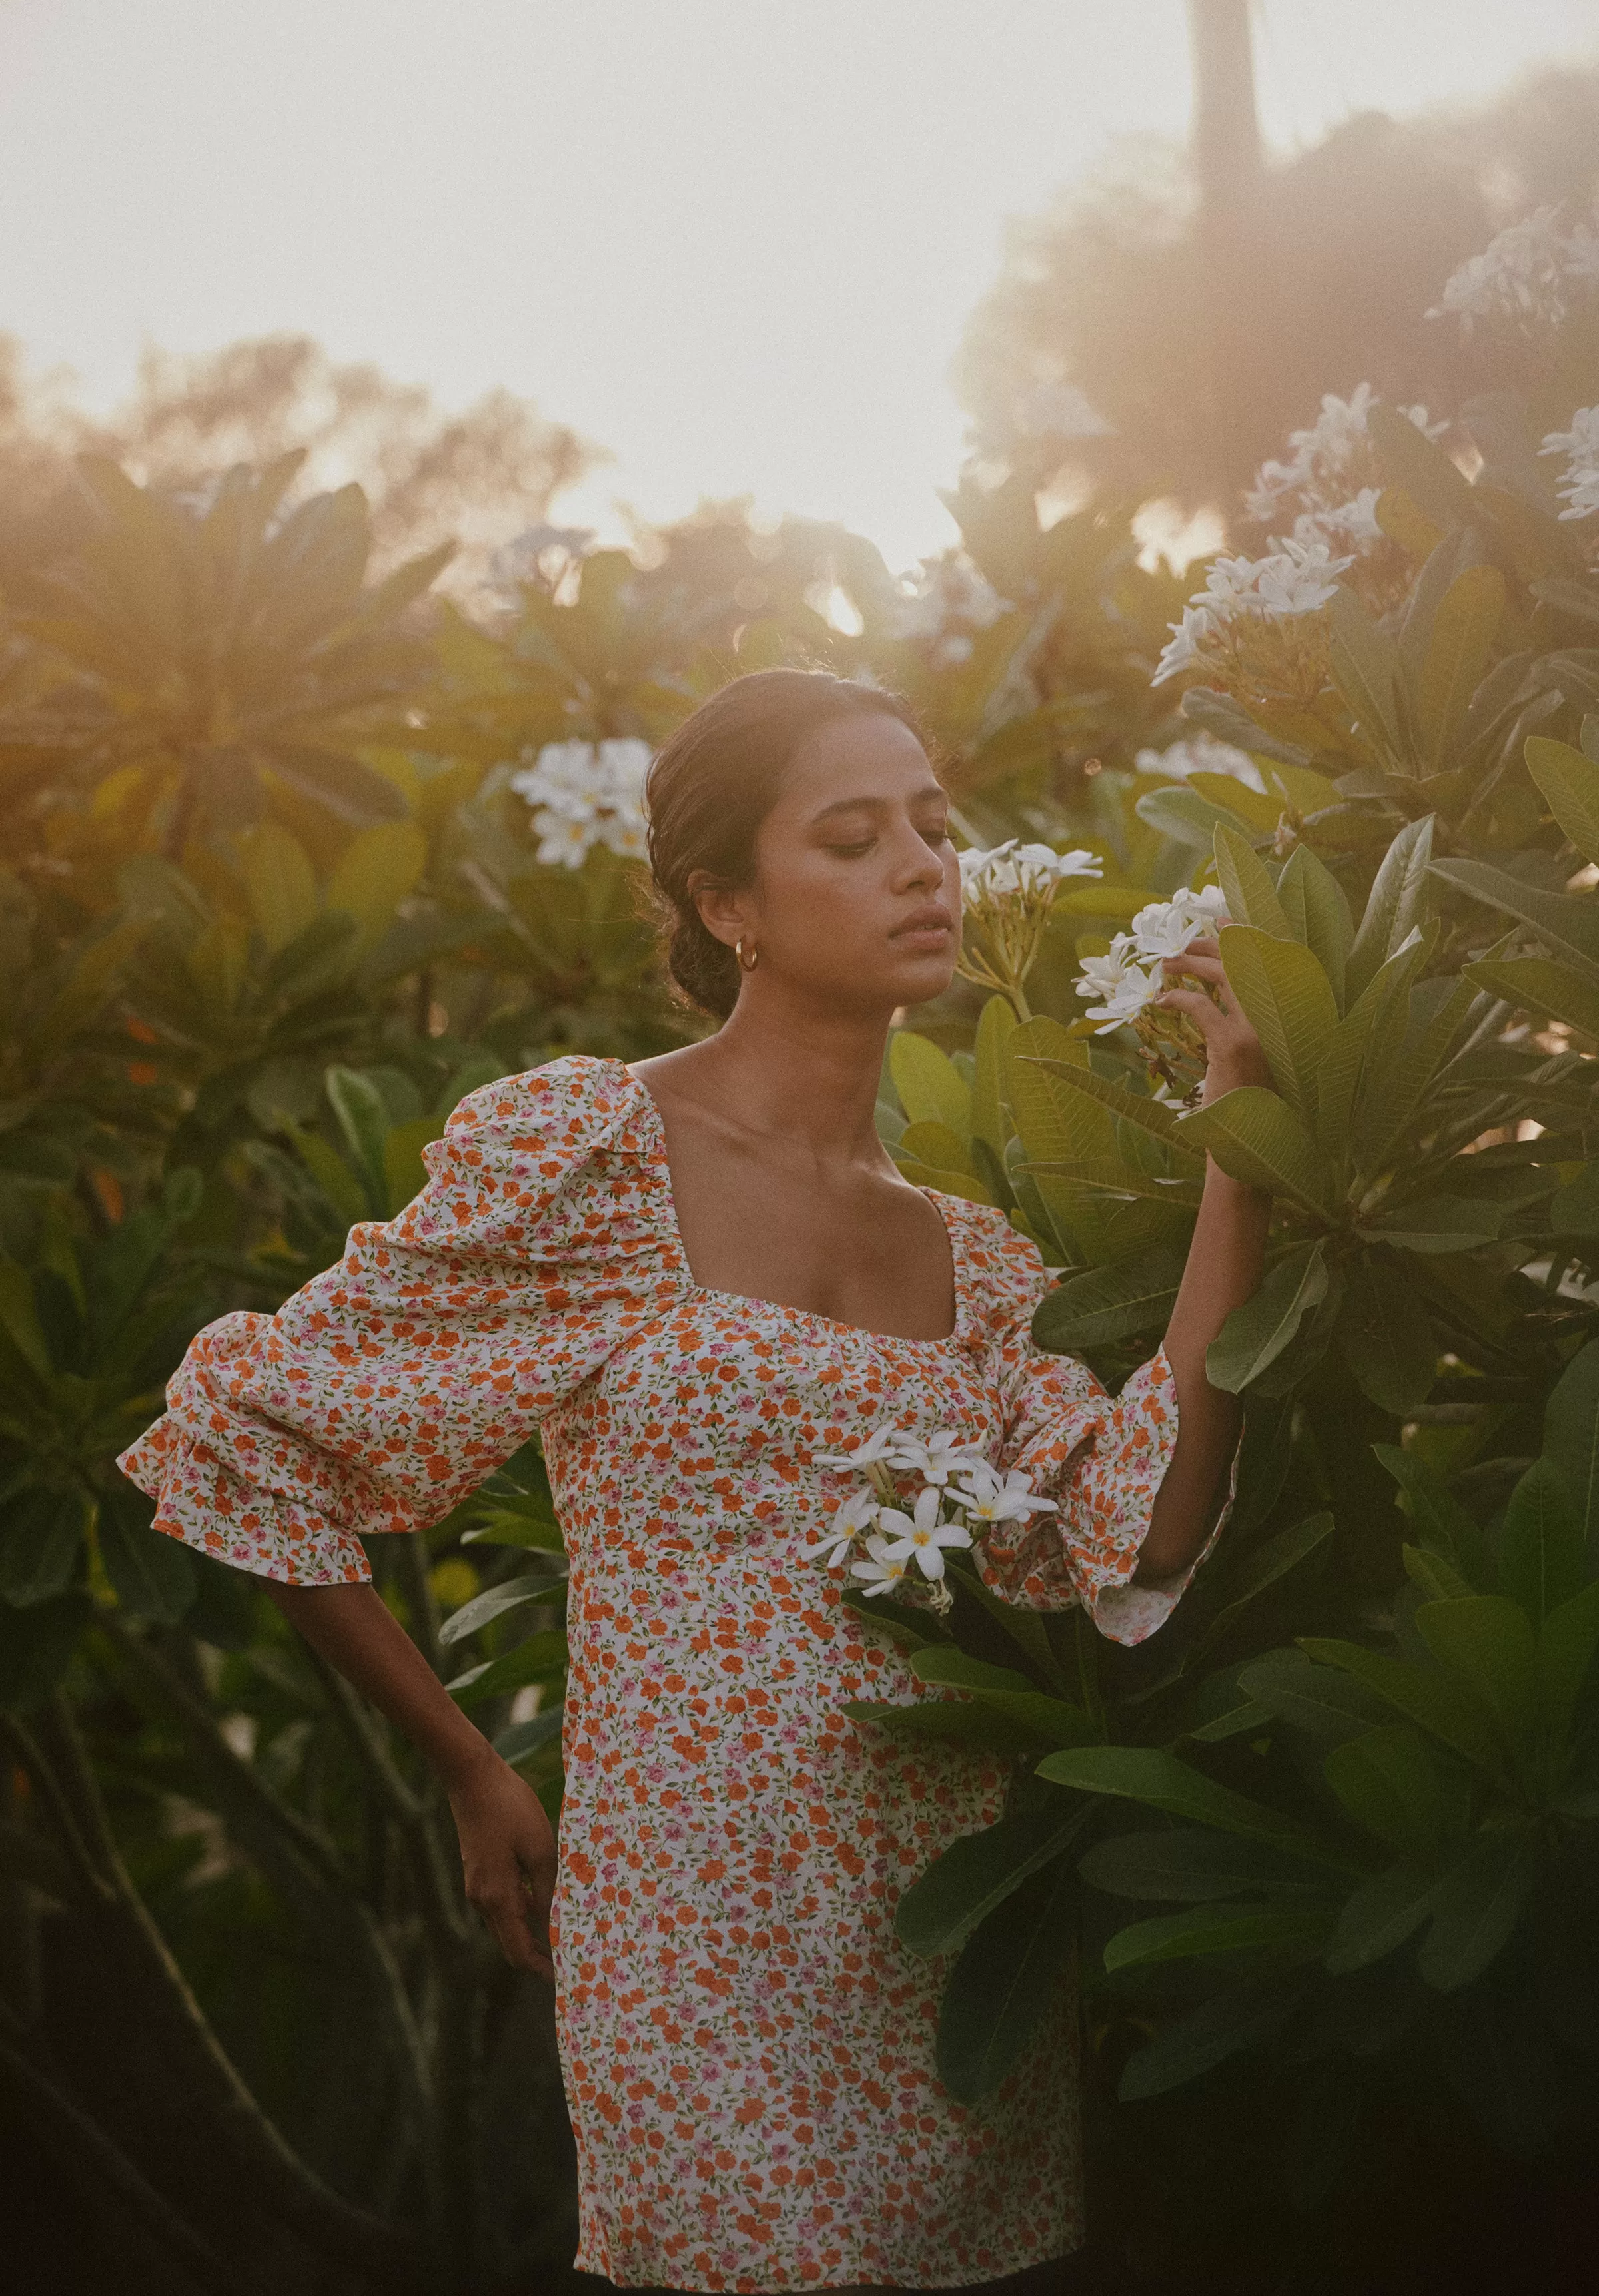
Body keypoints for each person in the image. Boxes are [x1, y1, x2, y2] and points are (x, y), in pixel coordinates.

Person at [121, 669, 1270, 2296]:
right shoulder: (591, 1155)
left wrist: (1244, 1159)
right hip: (692, 1925)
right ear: (725, 900)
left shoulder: (981, 1260)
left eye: (936, 827)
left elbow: (1133, 1524)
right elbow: (252, 1429)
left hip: (948, 1934)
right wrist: (467, 1765)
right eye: (857, 837)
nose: (925, 866)